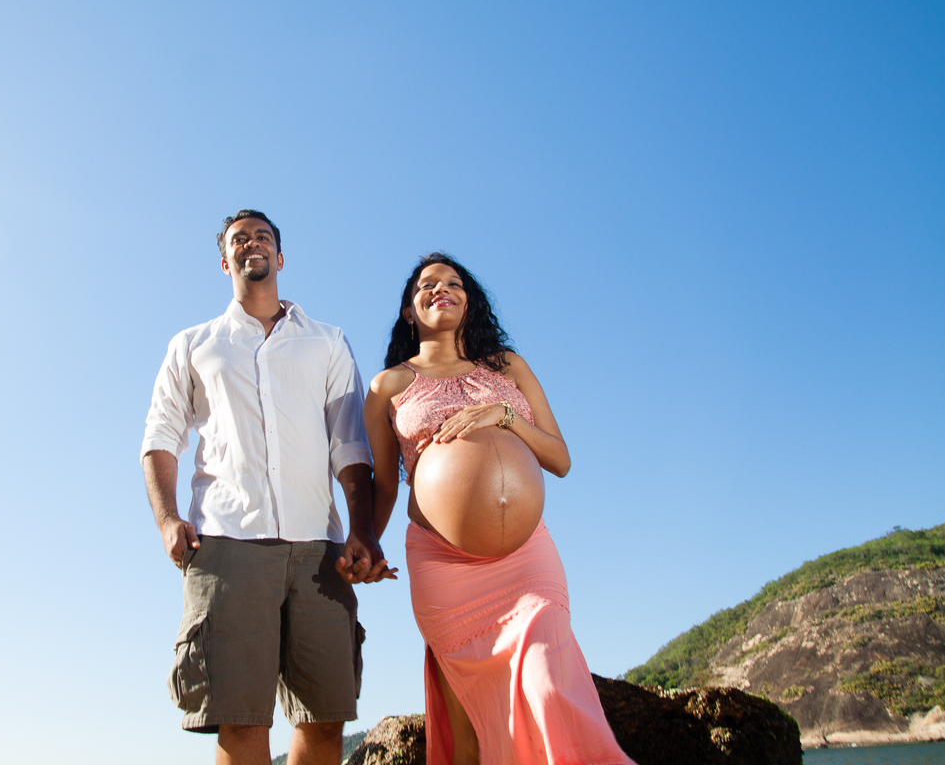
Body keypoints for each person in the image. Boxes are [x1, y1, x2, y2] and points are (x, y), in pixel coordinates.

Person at [141, 209, 393, 765]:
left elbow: (350, 446)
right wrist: (166, 519)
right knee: (240, 721)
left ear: (280, 257)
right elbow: (160, 437)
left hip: (319, 551)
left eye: (262, 236)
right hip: (226, 547)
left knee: (325, 718)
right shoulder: (193, 344)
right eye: (239, 239)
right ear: (224, 261)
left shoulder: (328, 342)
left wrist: (363, 531)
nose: (250, 243)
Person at [363, 253, 635, 765]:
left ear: (469, 301)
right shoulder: (388, 386)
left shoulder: (507, 367)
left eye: (454, 282)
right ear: (407, 310)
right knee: (466, 727)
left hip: (527, 561)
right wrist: (366, 545)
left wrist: (505, 415)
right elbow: (384, 487)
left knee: (549, 682)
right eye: (427, 284)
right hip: (444, 565)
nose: (441, 289)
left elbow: (560, 459)